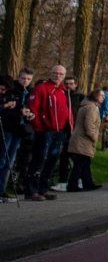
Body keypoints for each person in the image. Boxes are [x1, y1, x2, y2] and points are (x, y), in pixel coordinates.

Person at [24, 65, 73, 202]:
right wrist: (39, 125)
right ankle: (31, 190)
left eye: (61, 74)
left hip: (59, 131)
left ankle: (43, 188)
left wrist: (68, 128)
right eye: (55, 73)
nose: (58, 76)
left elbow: (67, 110)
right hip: (44, 131)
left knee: (52, 160)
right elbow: (33, 108)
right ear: (51, 73)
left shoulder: (63, 91)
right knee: (39, 159)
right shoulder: (42, 88)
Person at [0, 69, 30, 201]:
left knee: (9, 162)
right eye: (23, 78)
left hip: (19, 129)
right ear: (18, 77)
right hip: (7, 128)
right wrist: (11, 107)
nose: (25, 81)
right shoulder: (11, 89)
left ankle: (2, 189)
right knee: (2, 159)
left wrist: (28, 114)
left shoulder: (28, 92)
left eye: (28, 79)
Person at [65, 87, 102, 191]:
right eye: (101, 95)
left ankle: (88, 183)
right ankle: (72, 185)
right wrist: (94, 137)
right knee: (80, 163)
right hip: (83, 140)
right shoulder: (91, 108)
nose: (103, 98)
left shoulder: (87, 106)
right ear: (95, 96)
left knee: (85, 163)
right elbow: (89, 125)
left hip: (81, 139)